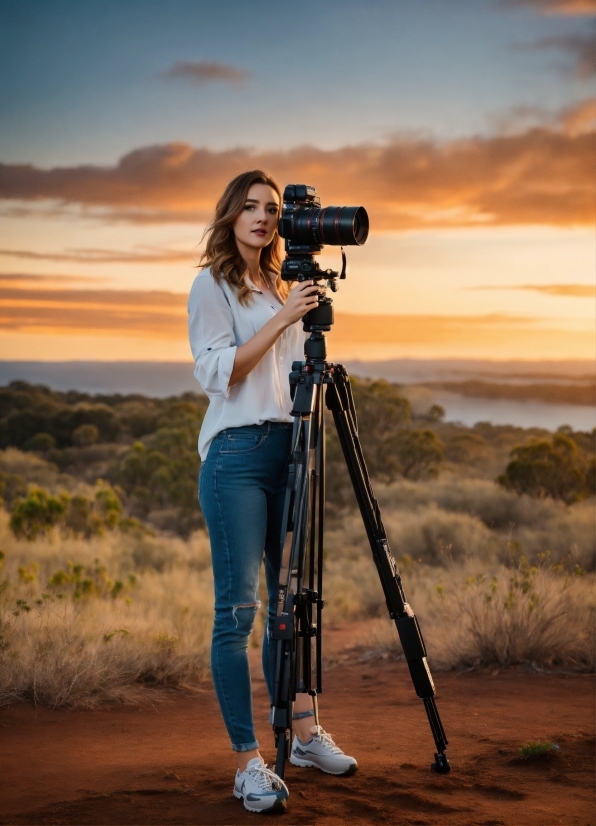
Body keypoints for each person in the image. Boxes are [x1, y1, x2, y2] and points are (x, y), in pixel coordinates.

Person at [188, 170, 357, 814]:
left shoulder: (284, 282)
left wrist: (294, 307)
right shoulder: (213, 285)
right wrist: (285, 315)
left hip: (290, 447)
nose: (263, 217)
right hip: (235, 456)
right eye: (251, 207)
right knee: (238, 614)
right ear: (231, 215)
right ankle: (247, 762)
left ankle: (307, 733)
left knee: (293, 603)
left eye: (273, 208)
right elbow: (219, 373)